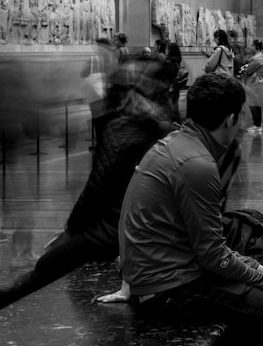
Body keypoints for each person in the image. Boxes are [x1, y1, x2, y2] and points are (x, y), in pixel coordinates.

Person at [118, 73, 263, 346]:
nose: (241, 125)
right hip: (168, 289)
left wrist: (258, 269)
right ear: (228, 119)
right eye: (240, 117)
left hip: (168, 271)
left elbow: (206, 244)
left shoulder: (177, 144)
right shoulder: (197, 164)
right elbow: (212, 256)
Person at [0, 87, 172, 308]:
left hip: (113, 227)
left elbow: (97, 186)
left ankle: (6, 297)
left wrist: (71, 229)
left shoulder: (119, 129)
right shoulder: (152, 128)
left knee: (48, 264)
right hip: (137, 223)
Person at [241, 39, 263, 134]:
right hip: (256, 84)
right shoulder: (259, 57)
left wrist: (244, 69)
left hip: (254, 85)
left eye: (252, 46)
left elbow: (248, 71)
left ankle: (257, 125)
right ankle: (257, 124)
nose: (250, 48)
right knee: (256, 104)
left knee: (253, 104)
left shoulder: (257, 58)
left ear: (257, 47)